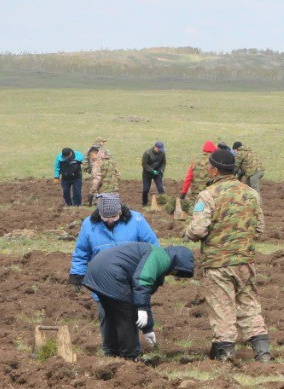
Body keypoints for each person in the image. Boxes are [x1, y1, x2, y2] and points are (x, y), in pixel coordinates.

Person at [184, 148, 270, 362]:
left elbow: (198, 230)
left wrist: (186, 233)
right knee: (249, 306)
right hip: (244, 262)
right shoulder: (251, 193)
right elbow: (259, 229)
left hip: (218, 264)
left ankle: (226, 354)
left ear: (214, 170)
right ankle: (263, 353)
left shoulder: (207, 195)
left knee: (222, 308)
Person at [69, 192, 160, 342]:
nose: (110, 221)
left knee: (130, 316)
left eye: (113, 217)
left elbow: (153, 248)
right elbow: (81, 252)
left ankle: (130, 350)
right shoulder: (89, 225)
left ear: (120, 211)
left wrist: (153, 271)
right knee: (106, 317)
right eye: (106, 217)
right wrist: (77, 274)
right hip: (103, 281)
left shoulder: (136, 220)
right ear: (99, 213)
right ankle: (110, 351)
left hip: (130, 279)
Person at [83, 242, 194, 360]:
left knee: (112, 314)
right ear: (177, 261)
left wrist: (148, 328)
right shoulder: (160, 257)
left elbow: (141, 294)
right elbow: (142, 280)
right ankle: (130, 357)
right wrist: (141, 309)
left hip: (97, 269)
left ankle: (111, 353)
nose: (173, 274)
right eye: (175, 272)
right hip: (112, 272)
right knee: (127, 315)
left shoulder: (156, 253)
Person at [180, 140, 218, 206]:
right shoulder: (214, 162)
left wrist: (183, 193)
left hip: (196, 194)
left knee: (195, 212)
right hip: (209, 194)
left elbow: (188, 178)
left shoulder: (195, 161)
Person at [141, 141, 167, 207]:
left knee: (161, 188)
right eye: (159, 149)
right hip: (147, 174)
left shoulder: (162, 153)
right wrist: (152, 171)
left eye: (161, 149)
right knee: (145, 189)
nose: (159, 151)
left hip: (157, 173)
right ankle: (144, 203)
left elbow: (163, 163)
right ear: (155, 147)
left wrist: (161, 170)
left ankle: (163, 202)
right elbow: (144, 164)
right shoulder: (147, 153)